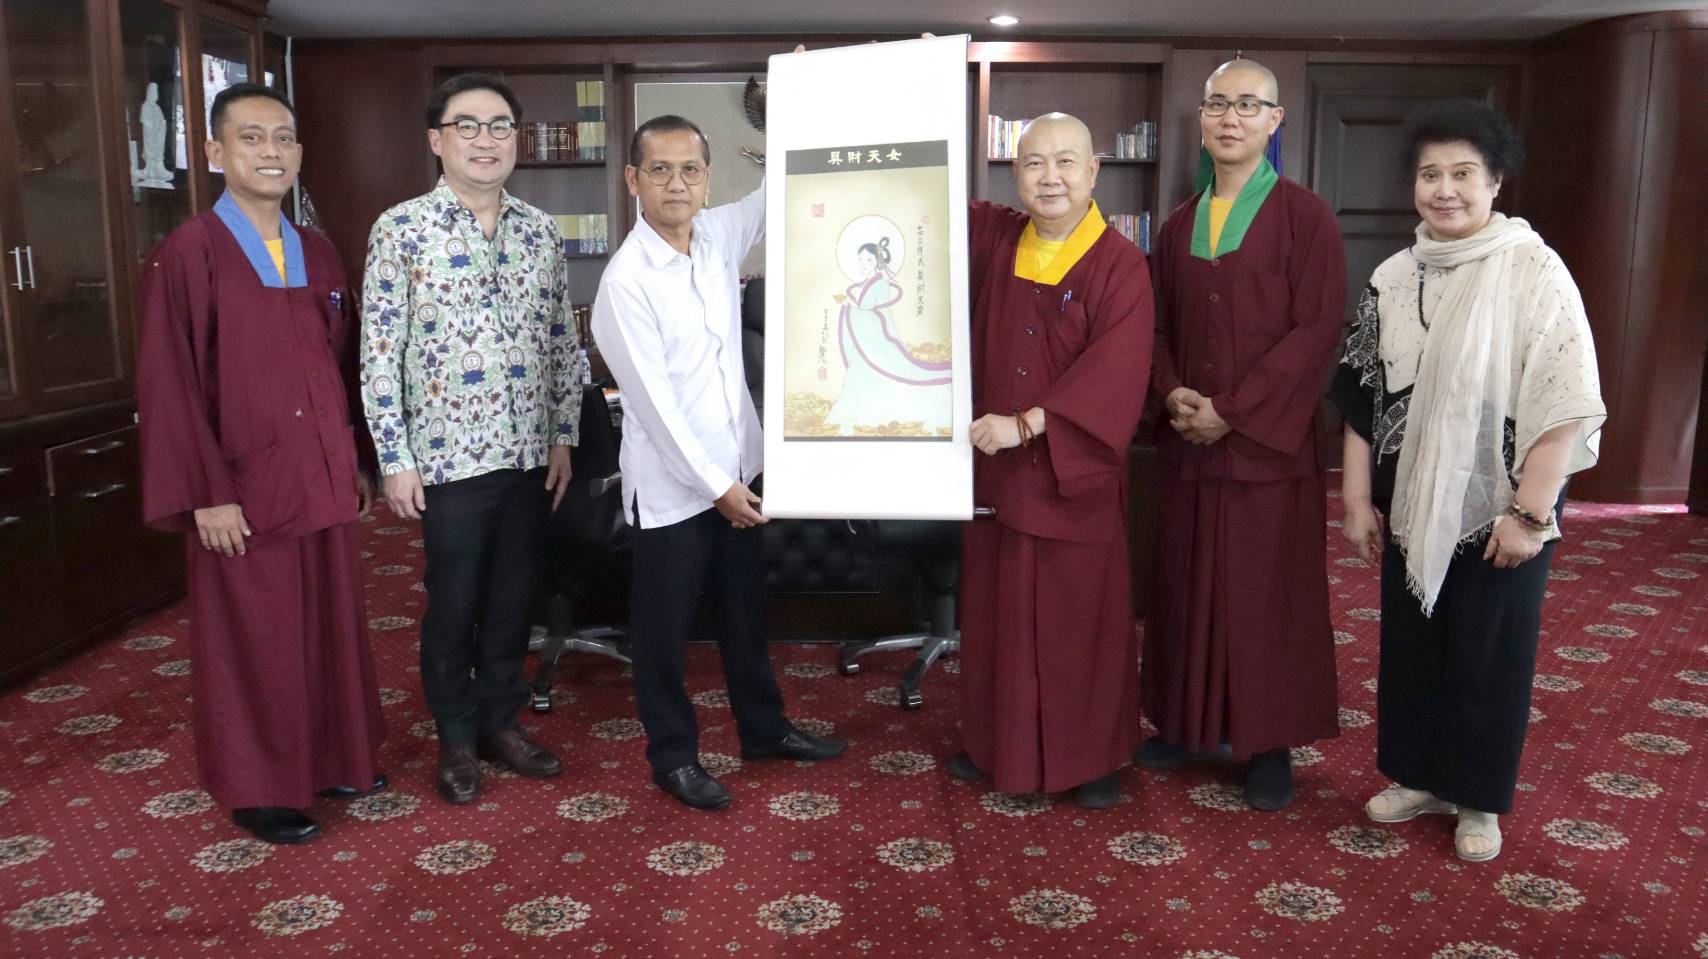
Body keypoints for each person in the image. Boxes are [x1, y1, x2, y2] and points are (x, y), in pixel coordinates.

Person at [1329, 99, 1604, 862]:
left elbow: (1564, 401)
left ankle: (1478, 796)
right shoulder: (1393, 276)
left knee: (1489, 650)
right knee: (1412, 640)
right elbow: (1360, 396)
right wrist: (1356, 500)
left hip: (1502, 506)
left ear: (1495, 181)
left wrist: (1530, 512)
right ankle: (1417, 776)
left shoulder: (1534, 271)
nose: (1444, 190)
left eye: (1462, 174)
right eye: (1430, 175)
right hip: (1411, 501)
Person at [136, 83, 385, 844]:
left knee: (331, 626)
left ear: (299, 153)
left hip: (320, 471)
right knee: (257, 639)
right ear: (215, 152)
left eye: (282, 138)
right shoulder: (190, 252)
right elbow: (170, 382)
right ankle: (260, 788)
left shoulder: (318, 250)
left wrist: (358, 461)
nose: (270, 152)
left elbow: (343, 363)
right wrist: (205, 494)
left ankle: (337, 758)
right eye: (251, 138)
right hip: (241, 486)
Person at [591, 114, 846, 811]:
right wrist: (717, 488)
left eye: (691, 170)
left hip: (740, 472)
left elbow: (776, 193)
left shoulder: (717, 235)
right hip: (676, 493)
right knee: (663, 636)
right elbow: (657, 411)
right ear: (633, 179)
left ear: (707, 179)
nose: (677, 184)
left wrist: (802, 107)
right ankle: (672, 758)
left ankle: (764, 730)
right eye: (660, 170)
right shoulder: (625, 283)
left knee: (744, 616)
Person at [360, 73, 582, 805]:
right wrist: (394, 457)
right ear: (437, 140)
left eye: (499, 126)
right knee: (454, 602)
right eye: (467, 125)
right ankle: (455, 735)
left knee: (515, 598)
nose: (485, 140)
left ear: (515, 139)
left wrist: (562, 434)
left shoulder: (540, 230)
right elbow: (379, 353)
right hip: (448, 459)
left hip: (527, 454)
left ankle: (500, 722)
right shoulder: (401, 229)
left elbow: (561, 341)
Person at [1141, 59, 1347, 811]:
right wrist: (1172, 393)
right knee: (1185, 585)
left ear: (1274, 120)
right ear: (1201, 118)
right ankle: (1184, 725)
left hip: (1265, 445)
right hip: (1189, 441)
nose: (1231, 118)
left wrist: (1233, 409)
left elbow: (1315, 331)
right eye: (1218, 104)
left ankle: (1268, 742)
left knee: (1264, 595)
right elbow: (1156, 326)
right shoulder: (1176, 224)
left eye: (1248, 105)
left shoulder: (1305, 217)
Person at [950, 113, 1153, 809]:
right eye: (1034, 163)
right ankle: (995, 745)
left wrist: (1029, 424)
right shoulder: (999, 238)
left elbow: (1117, 372)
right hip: (997, 476)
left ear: (1093, 171)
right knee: (997, 618)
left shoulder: (1120, 263)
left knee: (1077, 625)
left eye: (1066, 162)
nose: (1050, 177)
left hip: (1072, 479)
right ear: (1014, 173)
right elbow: (930, 191)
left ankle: (1088, 758)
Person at [823, 238, 952, 435]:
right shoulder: (866, 284)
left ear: (877, 261)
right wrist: (850, 307)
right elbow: (866, 311)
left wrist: (848, 308)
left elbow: (875, 315)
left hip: (876, 342)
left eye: (868, 259)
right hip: (865, 343)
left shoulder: (881, 284)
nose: (864, 264)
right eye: (861, 259)